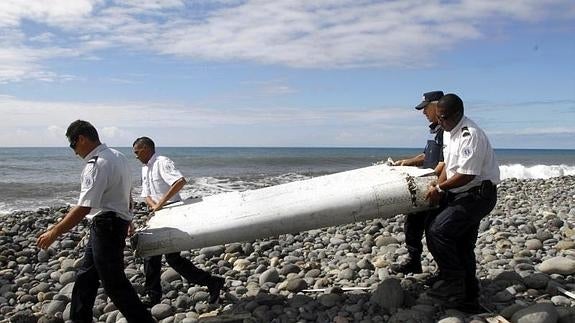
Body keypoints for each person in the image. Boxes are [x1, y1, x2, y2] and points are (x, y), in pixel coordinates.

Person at [37, 120, 155, 323]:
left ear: (82, 138)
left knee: (114, 282)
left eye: (73, 145)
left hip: (106, 226)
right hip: (111, 223)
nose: (74, 152)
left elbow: (84, 207)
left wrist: (54, 232)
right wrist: (128, 218)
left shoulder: (96, 164)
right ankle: (79, 318)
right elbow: (126, 193)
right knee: (86, 276)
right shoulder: (118, 156)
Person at [425, 93, 499, 310]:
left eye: (444, 118)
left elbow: (467, 174)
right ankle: (468, 297)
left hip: (478, 195)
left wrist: (440, 188)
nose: (440, 122)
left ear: (458, 114)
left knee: (439, 231)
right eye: (438, 117)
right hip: (460, 193)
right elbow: (449, 166)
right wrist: (436, 188)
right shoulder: (449, 131)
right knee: (460, 243)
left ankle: (454, 283)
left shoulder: (470, 135)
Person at [132, 137, 225, 307]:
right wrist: (154, 206)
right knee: (154, 255)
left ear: (146, 148)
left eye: (137, 152)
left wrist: (161, 203)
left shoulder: (162, 162)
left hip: (173, 213)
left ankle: (211, 282)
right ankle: (153, 296)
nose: (135, 156)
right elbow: (146, 194)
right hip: (158, 215)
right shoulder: (145, 169)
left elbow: (179, 181)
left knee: (170, 258)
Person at [390, 90, 445, 275]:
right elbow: (426, 156)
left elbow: (446, 163)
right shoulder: (433, 130)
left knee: (434, 230)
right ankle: (414, 260)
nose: (423, 113)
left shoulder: (447, 131)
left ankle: (444, 270)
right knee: (412, 223)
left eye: (426, 108)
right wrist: (406, 162)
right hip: (425, 183)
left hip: (437, 186)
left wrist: (435, 184)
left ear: (437, 106)